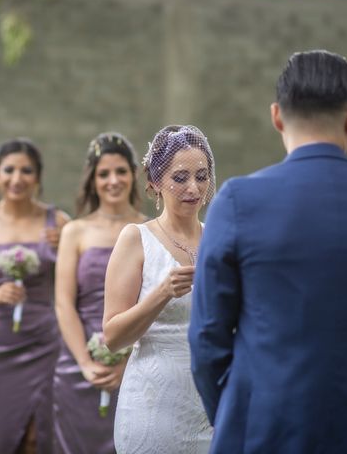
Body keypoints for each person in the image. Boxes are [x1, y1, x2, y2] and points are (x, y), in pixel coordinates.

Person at [188, 50, 347, 453]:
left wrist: (232, 413)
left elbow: (206, 337)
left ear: (277, 117)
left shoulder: (238, 201)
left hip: (259, 428)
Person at [103, 125, 215, 453]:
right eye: (180, 178)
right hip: (153, 405)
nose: (194, 187)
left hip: (209, 404)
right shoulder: (136, 239)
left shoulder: (218, 239)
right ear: (154, 183)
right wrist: (161, 292)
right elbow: (113, 337)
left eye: (202, 175)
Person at [0, 138, 69, 454]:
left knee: (37, 434)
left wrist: (63, 250)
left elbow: (77, 280)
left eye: (26, 171)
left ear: (38, 178)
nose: (17, 178)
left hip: (43, 340)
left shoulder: (58, 222)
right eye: (9, 170)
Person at [53, 132, 145, 454]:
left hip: (137, 361)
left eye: (121, 171)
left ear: (134, 174)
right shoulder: (74, 232)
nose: (113, 180)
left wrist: (126, 364)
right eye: (103, 173)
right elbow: (64, 303)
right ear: (92, 180)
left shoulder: (150, 230)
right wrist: (84, 362)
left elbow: (155, 307)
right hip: (78, 362)